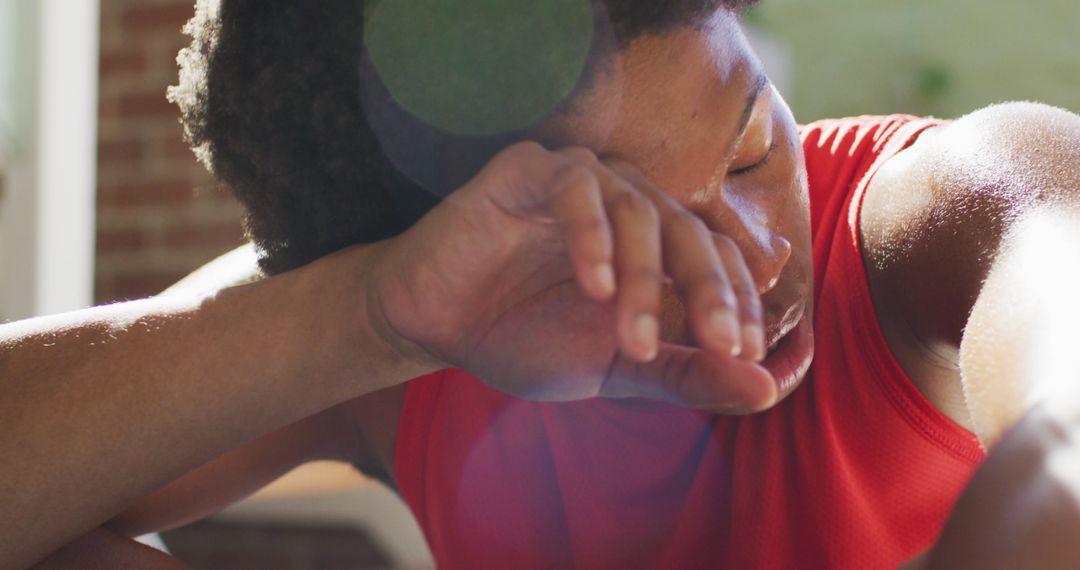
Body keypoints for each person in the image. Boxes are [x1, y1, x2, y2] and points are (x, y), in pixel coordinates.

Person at [4, 0, 1080, 567]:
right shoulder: (410, 334)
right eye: (637, 236)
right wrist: (367, 317)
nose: (755, 257)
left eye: (752, 146)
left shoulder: (943, 212)